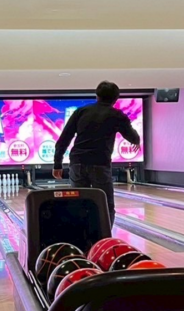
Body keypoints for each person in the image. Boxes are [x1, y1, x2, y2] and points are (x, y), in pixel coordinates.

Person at [52, 81, 140, 223]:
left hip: (78, 163)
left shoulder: (81, 111)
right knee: (105, 205)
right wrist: (136, 140)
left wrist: (57, 164)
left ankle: (81, 233)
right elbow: (133, 138)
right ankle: (105, 234)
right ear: (115, 99)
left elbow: (64, 139)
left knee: (79, 203)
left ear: (97, 95)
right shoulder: (117, 115)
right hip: (100, 164)